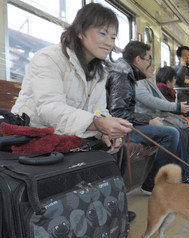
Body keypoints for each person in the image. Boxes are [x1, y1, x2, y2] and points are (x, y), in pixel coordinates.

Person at [10, 3, 136, 221]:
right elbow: (49, 108)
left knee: (115, 151)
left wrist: (106, 132)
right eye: (103, 33)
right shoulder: (49, 58)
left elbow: (99, 110)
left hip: (69, 133)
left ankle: (103, 211)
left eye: (114, 37)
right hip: (35, 134)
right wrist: (98, 124)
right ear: (80, 31)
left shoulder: (98, 70)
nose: (109, 42)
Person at [106, 41, 189, 195]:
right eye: (148, 60)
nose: (150, 65)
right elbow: (118, 113)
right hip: (122, 127)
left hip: (129, 123)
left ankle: (179, 176)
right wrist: (148, 120)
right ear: (138, 60)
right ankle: (152, 184)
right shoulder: (123, 77)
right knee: (172, 133)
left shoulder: (130, 76)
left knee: (176, 131)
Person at [136, 65, 189, 162]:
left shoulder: (151, 84)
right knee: (178, 132)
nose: (153, 68)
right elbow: (155, 102)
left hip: (154, 117)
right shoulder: (139, 83)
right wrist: (179, 108)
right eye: (148, 64)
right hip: (149, 119)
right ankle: (178, 168)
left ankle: (184, 167)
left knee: (188, 132)